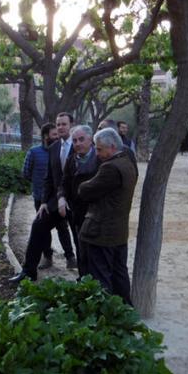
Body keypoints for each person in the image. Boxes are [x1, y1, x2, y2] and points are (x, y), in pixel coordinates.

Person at [9, 113, 78, 283]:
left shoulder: (79, 145)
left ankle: (85, 276)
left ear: (71, 125)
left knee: (79, 238)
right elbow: (48, 178)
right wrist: (44, 202)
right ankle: (28, 272)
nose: (61, 127)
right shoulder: (53, 148)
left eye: (64, 124)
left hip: (77, 201)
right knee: (38, 225)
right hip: (54, 201)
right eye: (58, 124)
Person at [76, 128, 138, 304]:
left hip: (102, 232)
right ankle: (125, 312)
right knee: (120, 275)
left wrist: (85, 183)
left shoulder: (110, 167)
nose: (97, 153)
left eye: (99, 149)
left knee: (101, 279)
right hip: (119, 232)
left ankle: (106, 319)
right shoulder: (127, 162)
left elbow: (84, 190)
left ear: (112, 147)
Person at [57, 125, 99, 279]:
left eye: (81, 139)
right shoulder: (72, 160)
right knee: (80, 250)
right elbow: (64, 183)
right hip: (77, 214)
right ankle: (83, 281)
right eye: (75, 141)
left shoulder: (100, 159)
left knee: (94, 253)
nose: (78, 143)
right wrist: (61, 197)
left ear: (91, 140)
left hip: (96, 216)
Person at [22, 123, 59, 266]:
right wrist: (38, 183)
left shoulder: (58, 150)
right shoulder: (34, 152)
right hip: (40, 197)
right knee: (43, 227)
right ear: (45, 136)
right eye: (54, 134)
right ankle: (47, 256)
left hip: (57, 198)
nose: (56, 137)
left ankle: (70, 257)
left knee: (63, 229)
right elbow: (26, 172)